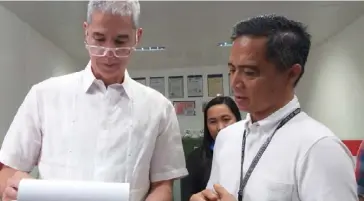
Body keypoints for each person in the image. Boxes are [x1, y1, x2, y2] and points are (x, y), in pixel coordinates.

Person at [0, 1, 188, 201]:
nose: (108, 53)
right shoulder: (44, 96)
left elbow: (163, 185)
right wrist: (11, 187)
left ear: (137, 37)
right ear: (86, 32)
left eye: (120, 41)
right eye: (99, 39)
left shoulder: (158, 108)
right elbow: (8, 170)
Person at [190, 14, 357, 201]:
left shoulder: (319, 147)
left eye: (249, 72)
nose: (235, 82)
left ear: (291, 74)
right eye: (232, 70)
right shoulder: (227, 138)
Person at [181, 96, 241, 201]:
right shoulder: (196, 158)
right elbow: (186, 195)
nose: (220, 127)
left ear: (237, 119)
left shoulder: (252, 151)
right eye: (213, 122)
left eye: (226, 119)